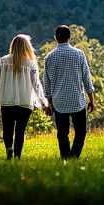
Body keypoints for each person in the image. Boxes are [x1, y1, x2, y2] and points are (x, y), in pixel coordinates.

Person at [0, 33, 48, 160]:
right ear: (26, 47)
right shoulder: (30, 64)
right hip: (25, 103)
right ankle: (17, 156)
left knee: (7, 130)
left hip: (6, 101)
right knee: (20, 131)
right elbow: (36, 85)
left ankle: (9, 151)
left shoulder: (3, 61)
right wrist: (43, 103)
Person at [42, 24, 95, 160]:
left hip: (59, 102)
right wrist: (91, 99)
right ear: (70, 38)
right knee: (81, 132)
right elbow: (86, 78)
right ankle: (74, 156)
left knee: (62, 133)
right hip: (77, 101)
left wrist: (49, 103)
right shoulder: (79, 54)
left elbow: (46, 84)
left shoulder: (49, 57)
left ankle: (65, 158)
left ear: (55, 38)